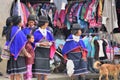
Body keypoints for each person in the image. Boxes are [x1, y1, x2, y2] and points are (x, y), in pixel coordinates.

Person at [6, 15, 31, 80]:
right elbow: (21, 46)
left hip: (11, 55)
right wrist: (26, 54)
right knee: (18, 75)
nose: (22, 22)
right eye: (21, 21)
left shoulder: (10, 29)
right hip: (18, 56)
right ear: (18, 22)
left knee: (12, 74)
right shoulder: (19, 32)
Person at [32, 16, 55, 80]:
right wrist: (40, 44)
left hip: (46, 52)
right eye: (46, 23)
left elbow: (52, 42)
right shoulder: (36, 32)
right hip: (39, 52)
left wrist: (49, 43)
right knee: (39, 72)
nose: (47, 24)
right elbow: (32, 42)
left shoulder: (48, 32)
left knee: (45, 72)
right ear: (43, 23)